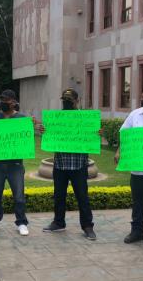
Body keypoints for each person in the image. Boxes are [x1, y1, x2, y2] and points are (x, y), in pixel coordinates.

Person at [41, 88, 97, 240]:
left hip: (78, 165)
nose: (66, 103)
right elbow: (48, 135)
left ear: (77, 101)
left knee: (82, 197)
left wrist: (95, 133)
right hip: (60, 164)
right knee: (59, 196)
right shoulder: (56, 119)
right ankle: (58, 222)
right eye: (64, 100)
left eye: (69, 100)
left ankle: (87, 226)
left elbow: (92, 136)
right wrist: (43, 130)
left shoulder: (86, 119)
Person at [0, 90, 30, 236]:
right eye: (1, 99)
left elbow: (27, 139)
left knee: (19, 195)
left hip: (15, 165)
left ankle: (21, 222)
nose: (3, 102)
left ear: (14, 102)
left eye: (6, 100)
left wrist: (32, 127)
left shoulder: (22, 119)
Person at [115, 84, 143, 243]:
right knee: (138, 203)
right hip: (138, 171)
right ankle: (137, 232)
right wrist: (119, 151)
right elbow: (125, 136)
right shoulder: (134, 115)